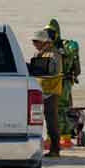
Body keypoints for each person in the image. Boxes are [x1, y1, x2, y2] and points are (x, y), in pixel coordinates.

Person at [45, 18, 80, 147]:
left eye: (51, 33)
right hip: (50, 81)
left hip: (64, 81)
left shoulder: (67, 45)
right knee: (50, 110)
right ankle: (51, 137)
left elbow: (73, 48)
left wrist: (62, 51)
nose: (49, 35)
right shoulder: (46, 46)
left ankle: (65, 137)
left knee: (62, 109)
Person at [32, 29, 63, 158]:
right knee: (35, 120)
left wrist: (38, 67)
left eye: (37, 42)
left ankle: (55, 150)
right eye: (34, 42)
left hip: (51, 92)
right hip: (40, 91)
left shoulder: (54, 54)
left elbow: (52, 71)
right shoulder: (38, 53)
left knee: (51, 122)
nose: (35, 44)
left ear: (45, 42)